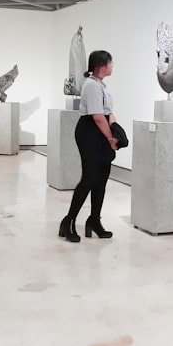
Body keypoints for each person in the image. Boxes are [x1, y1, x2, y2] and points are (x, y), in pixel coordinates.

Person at [59, 50, 118, 242]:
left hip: (101, 132)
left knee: (102, 178)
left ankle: (94, 220)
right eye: (110, 63)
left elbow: (108, 112)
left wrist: (114, 132)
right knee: (90, 177)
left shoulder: (101, 85)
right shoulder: (91, 85)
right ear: (101, 65)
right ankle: (68, 221)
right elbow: (97, 117)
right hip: (90, 133)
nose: (112, 66)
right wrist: (111, 139)